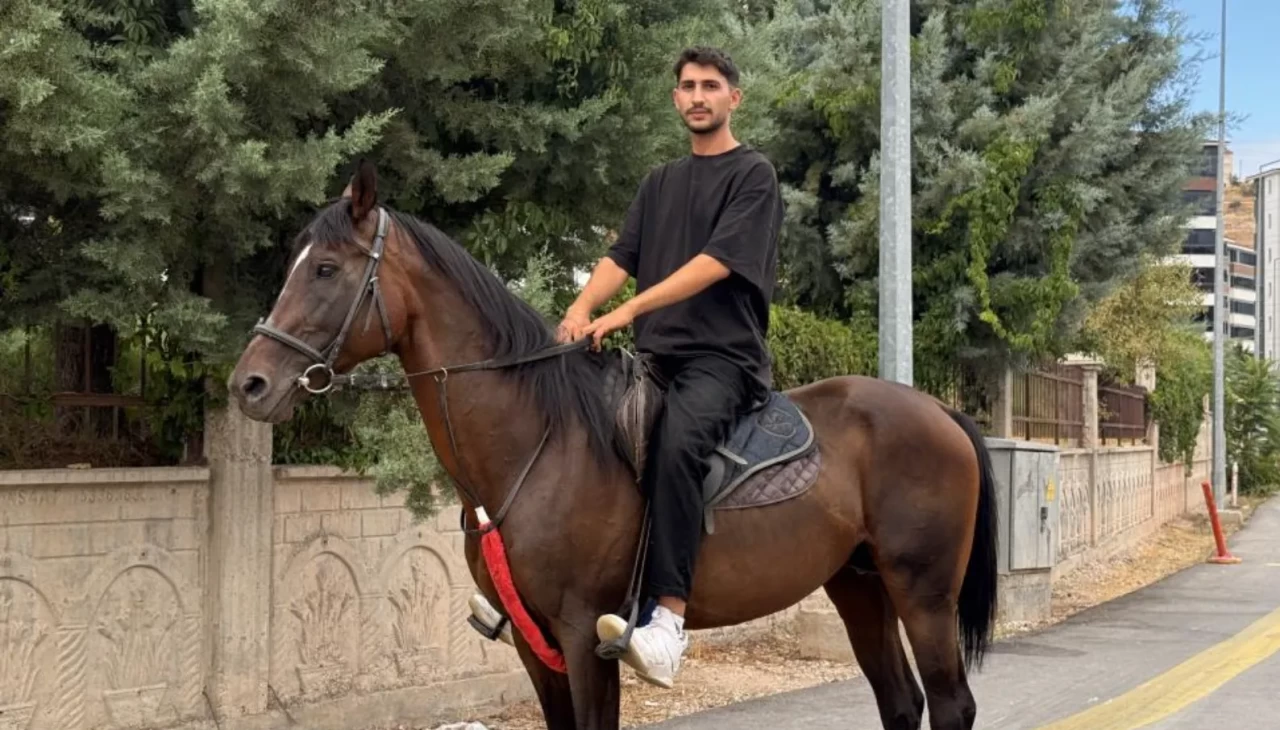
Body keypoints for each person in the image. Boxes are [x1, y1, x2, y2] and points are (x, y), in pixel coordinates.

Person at [561, 46, 783, 689]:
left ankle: (668, 622)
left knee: (679, 443)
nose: (696, 96)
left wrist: (625, 313)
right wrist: (580, 308)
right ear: (675, 98)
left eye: (710, 86)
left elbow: (715, 262)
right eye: (686, 86)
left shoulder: (753, 175)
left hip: (723, 360)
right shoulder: (660, 182)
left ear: (733, 98)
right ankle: (555, 588)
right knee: (576, 433)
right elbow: (620, 255)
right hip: (655, 359)